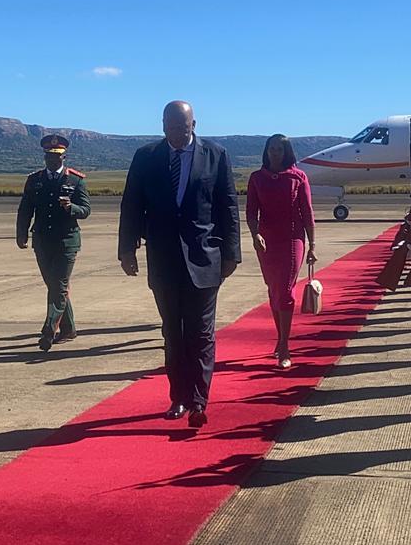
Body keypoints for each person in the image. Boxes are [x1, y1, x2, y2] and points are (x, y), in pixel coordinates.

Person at [118, 101, 242, 429]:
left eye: (182, 127)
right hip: (163, 260)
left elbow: (228, 206)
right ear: (162, 125)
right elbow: (131, 204)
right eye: (170, 127)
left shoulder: (216, 155)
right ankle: (179, 397)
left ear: (193, 125)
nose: (176, 133)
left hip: (205, 257)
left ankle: (199, 400)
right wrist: (127, 249)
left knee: (201, 332)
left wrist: (232, 253)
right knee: (173, 332)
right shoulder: (146, 157)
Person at [246, 134, 316, 369]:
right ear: (266, 152)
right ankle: (280, 338)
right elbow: (251, 212)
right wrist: (255, 234)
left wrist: (312, 245)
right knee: (274, 289)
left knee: (285, 290)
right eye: (271, 149)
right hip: (266, 241)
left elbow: (307, 212)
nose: (275, 153)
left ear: (287, 152)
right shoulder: (257, 178)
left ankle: (285, 346)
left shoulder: (298, 177)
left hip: (292, 239)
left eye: (279, 149)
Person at [17, 134, 92, 351]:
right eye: (49, 156)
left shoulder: (75, 180)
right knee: (54, 285)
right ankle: (68, 329)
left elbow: (86, 210)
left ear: (63, 157)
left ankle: (49, 330)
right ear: (44, 157)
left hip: (66, 241)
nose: (52, 159)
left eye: (56, 156)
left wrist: (71, 208)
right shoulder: (35, 180)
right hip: (42, 240)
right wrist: (21, 233)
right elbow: (25, 209)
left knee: (58, 286)